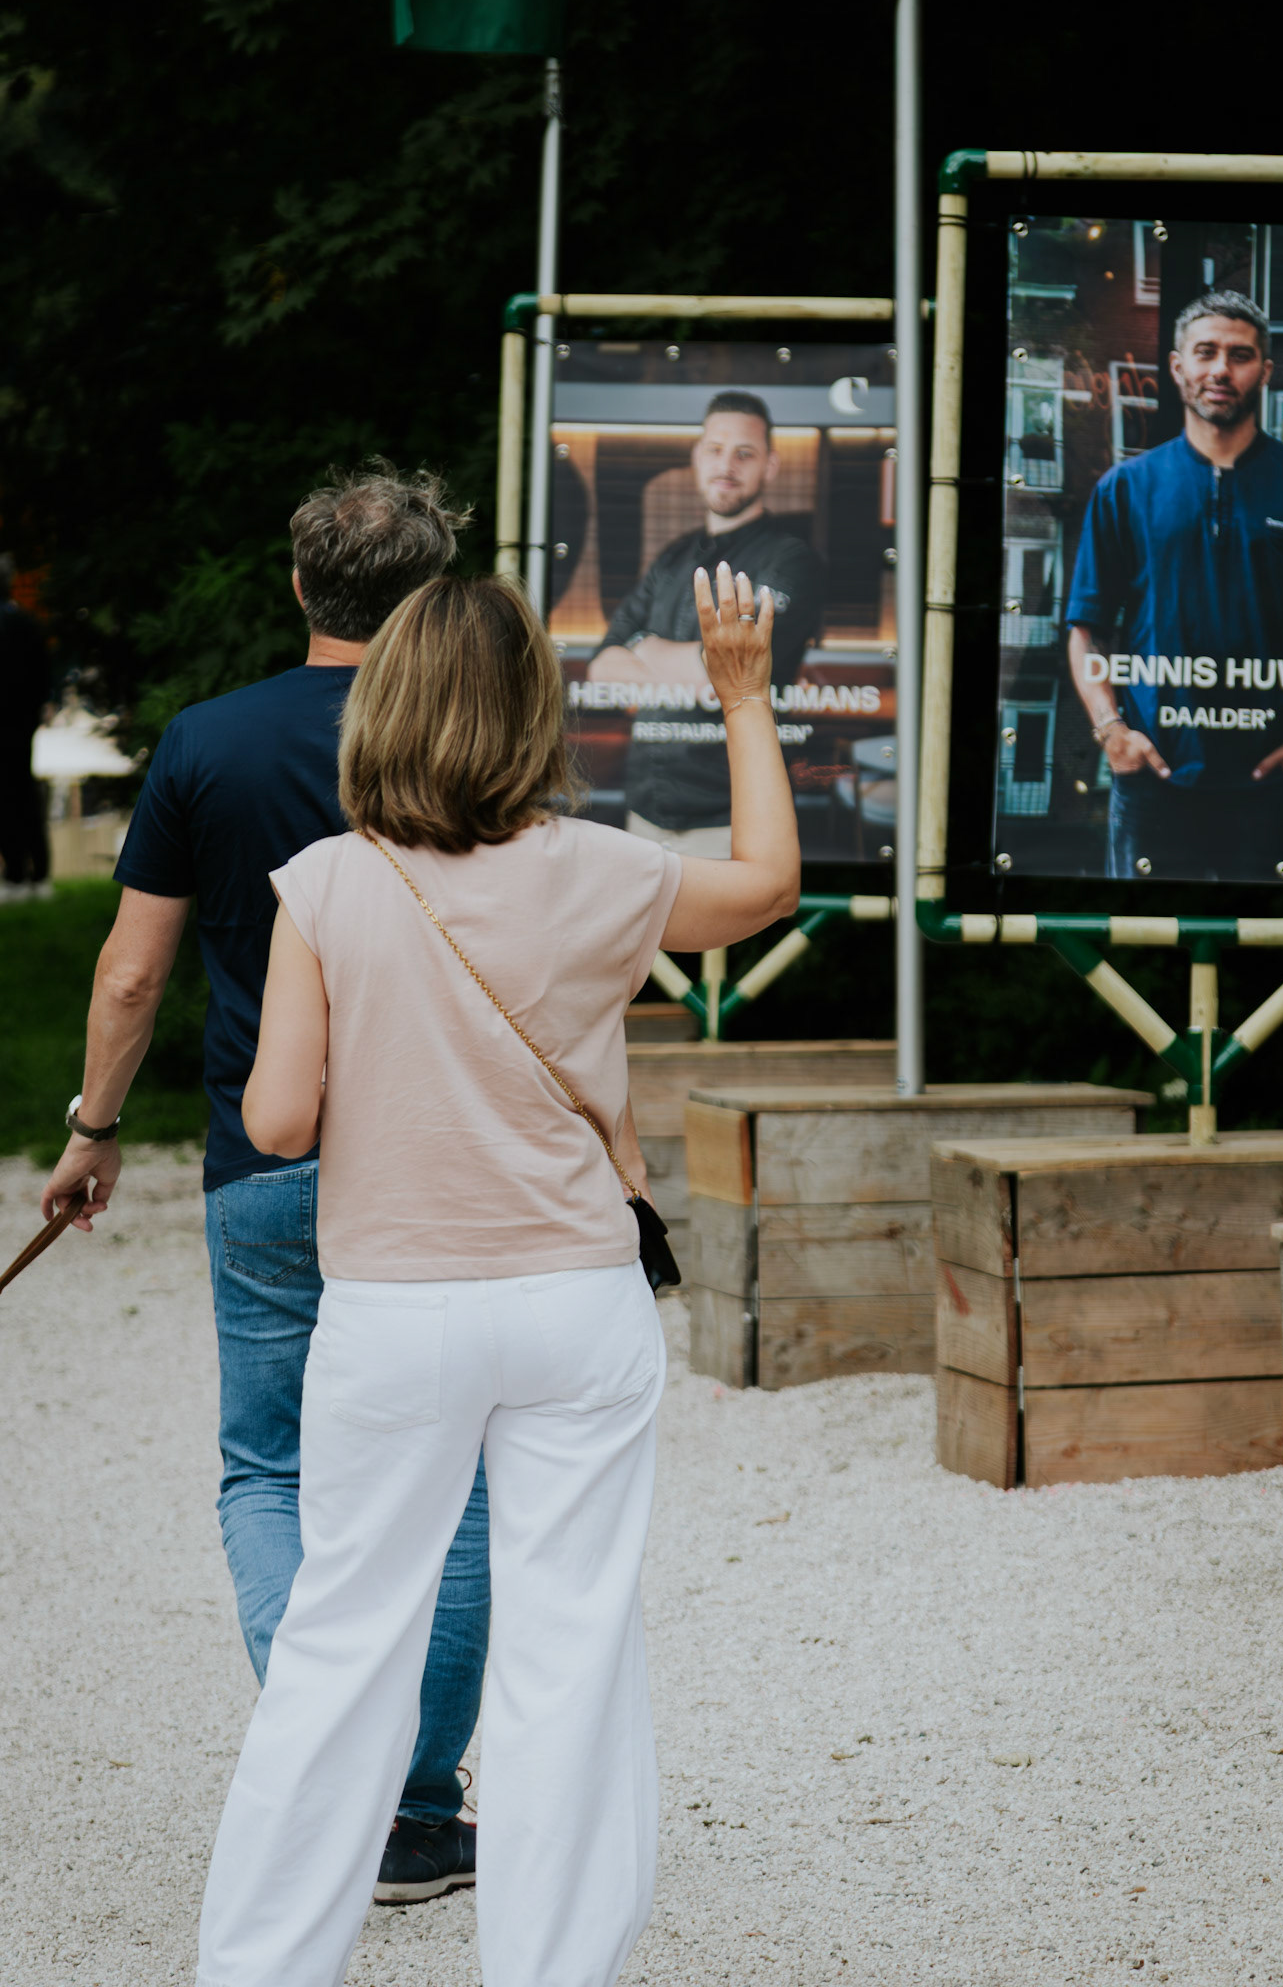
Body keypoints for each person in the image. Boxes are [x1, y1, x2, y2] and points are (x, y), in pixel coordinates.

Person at [187, 561, 799, 1987]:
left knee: (341, 1648)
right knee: (569, 1651)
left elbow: (275, 1122)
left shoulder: (328, 882)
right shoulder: (604, 871)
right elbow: (765, 883)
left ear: (384, 710)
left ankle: (262, 1969)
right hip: (576, 1305)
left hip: (394, 1312)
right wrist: (742, 695)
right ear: (537, 713)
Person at [38, 467, 497, 1907]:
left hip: (265, 1162)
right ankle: (419, 1813)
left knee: (270, 1466)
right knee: (454, 1484)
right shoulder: (476, 744)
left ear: (299, 586)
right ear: (433, 597)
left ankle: (325, 1776)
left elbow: (130, 970)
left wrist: (92, 1128)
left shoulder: (206, 743)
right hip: (442, 1168)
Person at [1066, 289, 1283, 881]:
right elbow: (1086, 631)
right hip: (1154, 783)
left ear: (1265, 372)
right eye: (1206, 352)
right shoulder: (1127, 488)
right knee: (1143, 957)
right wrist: (1112, 732)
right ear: (1177, 367)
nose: (1221, 369)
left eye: (1240, 355)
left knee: (1273, 966)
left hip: (1277, 787)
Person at [588, 389, 825, 855]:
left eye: (745, 454)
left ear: (770, 466)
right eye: (715, 450)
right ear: (697, 458)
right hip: (645, 811)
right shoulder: (671, 558)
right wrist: (693, 663)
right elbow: (600, 667)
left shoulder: (792, 560)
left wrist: (645, 647)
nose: (727, 466)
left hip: (733, 816)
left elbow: (724, 669)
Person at [0, 553, 52, 901]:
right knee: (23, 794)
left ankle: (18, 872)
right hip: (21, 724)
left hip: (12, 724)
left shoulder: (19, 624)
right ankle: (37, 871)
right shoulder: (27, 624)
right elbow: (43, 677)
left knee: (9, 796)